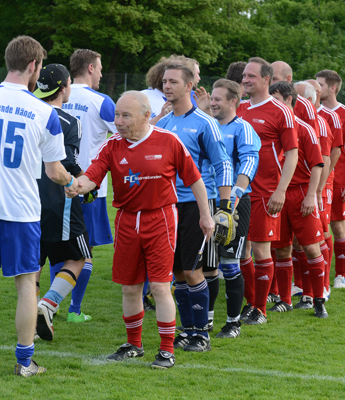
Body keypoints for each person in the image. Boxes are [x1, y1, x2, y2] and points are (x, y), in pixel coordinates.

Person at [0, 36, 79, 384]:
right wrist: (72, 182)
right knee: (26, 286)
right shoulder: (45, 112)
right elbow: (54, 171)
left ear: (9, 61)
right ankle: (24, 362)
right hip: (21, 211)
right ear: (35, 66)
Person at [77, 91, 213, 369]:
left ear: (146, 116)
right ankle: (134, 345)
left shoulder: (168, 141)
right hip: (126, 221)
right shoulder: (111, 146)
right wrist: (75, 186)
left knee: (161, 287)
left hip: (160, 219)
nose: (118, 121)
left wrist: (205, 216)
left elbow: (195, 179)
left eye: (125, 115)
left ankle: (165, 350)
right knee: (130, 288)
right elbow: (92, 176)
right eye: (116, 115)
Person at [156, 63, 233, 351]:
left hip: (196, 205)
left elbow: (223, 164)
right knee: (175, 272)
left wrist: (223, 207)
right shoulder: (162, 124)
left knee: (192, 270)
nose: (167, 86)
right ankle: (187, 330)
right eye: (165, 81)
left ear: (189, 86)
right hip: (168, 207)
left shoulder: (205, 123)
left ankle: (202, 332)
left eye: (173, 81)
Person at [30, 64, 94, 342]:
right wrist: (82, 182)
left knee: (34, 262)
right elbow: (65, 162)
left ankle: (31, 312)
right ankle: (49, 304)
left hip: (25, 200)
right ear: (64, 87)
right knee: (80, 256)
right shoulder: (69, 121)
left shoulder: (26, 112)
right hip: (59, 199)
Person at [236, 57, 298, 325]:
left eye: (250, 76)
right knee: (242, 250)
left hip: (266, 191)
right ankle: (251, 302)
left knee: (261, 250)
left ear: (266, 80)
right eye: (244, 77)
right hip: (240, 191)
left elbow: (292, 154)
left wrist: (280, 191)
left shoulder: (280, 110)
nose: (245, 80)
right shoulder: (239, 109)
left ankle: (259, 309)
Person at [56, 49, 116, 321]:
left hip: (54, 182)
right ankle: (74, 309)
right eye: (100, 67)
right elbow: (129, 133)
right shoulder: (101, 101)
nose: (102, 73)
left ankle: (51, 304)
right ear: (90, 68)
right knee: (84, 249)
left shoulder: (54, 97)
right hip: (88, 187)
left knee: (56, 245)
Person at [268, 81, 328, 317]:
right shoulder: (271, 127)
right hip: (277, 195)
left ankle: (317, 299)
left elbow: (317, 164)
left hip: (301, 193)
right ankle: (285, 299)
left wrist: (312, 195)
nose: (273, 105)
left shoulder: (304, 128)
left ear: (289, 100)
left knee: (311, 248)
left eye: (276, 100)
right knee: (282, 249)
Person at [209, 78, 261, 337]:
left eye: (218, 98)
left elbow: (249, 162)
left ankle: (233, 323)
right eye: (212, 97)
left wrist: (234, 196)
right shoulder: (206, 126)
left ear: (233, 101)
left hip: (234, 204)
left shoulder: (243, 128)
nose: (213, 102)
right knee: (206, 265)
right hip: (205, 202)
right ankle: (204, 320)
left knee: (230, 263)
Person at [315, 70, 345, 289]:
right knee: (317, 228)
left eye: (320, 84)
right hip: (316, 180)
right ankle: (316, 275)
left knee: (338, 227)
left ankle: (340, 275)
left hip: (339, 179)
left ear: (333, 87)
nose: (317, 88)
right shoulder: (312, 112)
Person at [307, 79, 343, 299]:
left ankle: (328, 281)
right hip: (304, 184)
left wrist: (322, 184)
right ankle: (303, 285)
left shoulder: (329, 118)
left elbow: (334, 152)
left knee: (323, 230)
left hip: (324, 183)